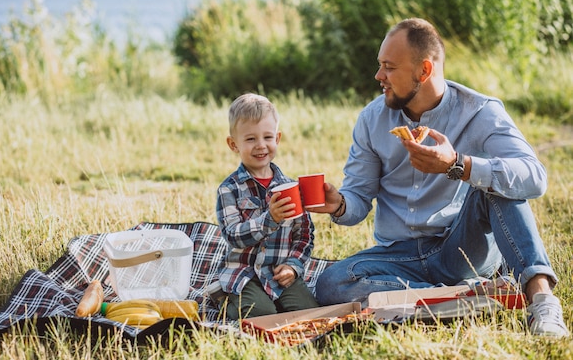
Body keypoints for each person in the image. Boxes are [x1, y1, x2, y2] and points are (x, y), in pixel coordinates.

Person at [309, 18, 569, 337]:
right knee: (332, 283)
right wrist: (339, 204)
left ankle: (542, 301)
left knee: (498, 184)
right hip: (399, 255)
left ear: (424, 71)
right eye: (380, 66)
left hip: (459, 247)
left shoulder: (480, 112)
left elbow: (534, 177)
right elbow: (358, 200)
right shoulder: (371, 119)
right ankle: (466, 296)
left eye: (389, 67)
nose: (379, 76)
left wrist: (460, 165)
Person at [215, 93, 319, 320]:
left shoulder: (290, 187)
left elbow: (304, 235)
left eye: (267, 137)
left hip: (279, 273)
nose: (261, 146)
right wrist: (269, 219)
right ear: (234, 144)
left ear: (277, 138)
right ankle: (226, 302)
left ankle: (273, 300)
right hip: (244, 274)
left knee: (310, 313)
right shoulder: (229, 190)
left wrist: (293, 267)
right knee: (263, 314)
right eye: (250, 139)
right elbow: (233, 235)